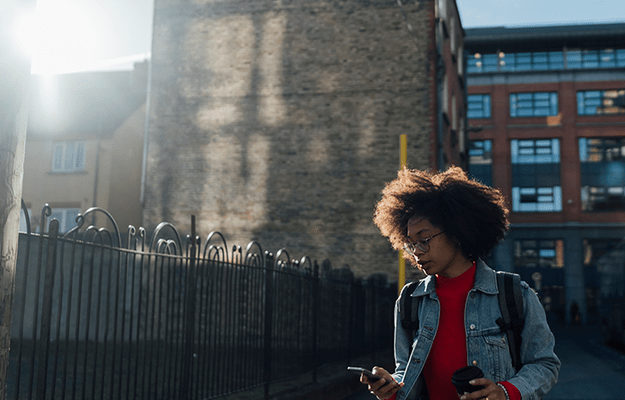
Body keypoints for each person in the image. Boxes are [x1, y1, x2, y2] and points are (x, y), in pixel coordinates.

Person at [359, 167, 560, 400]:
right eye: (410, 244)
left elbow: (545, 364)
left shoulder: (514, 294)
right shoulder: (410, 300)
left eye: (424, 240)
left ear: (456, 233)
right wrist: (391, 388)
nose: (416, 253)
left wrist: (506, 392)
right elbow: (407, 371)